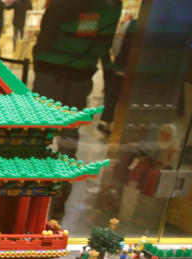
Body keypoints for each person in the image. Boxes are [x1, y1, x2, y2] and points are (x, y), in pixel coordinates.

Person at [32, 0, 120, 215]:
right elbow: (97, 42)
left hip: (53, 74)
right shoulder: (109, 7)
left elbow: (48, 36)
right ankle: (60, 189)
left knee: (39, 132)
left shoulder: (72, 6)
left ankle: (35, 183)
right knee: (68, 135)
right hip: (77, 76)